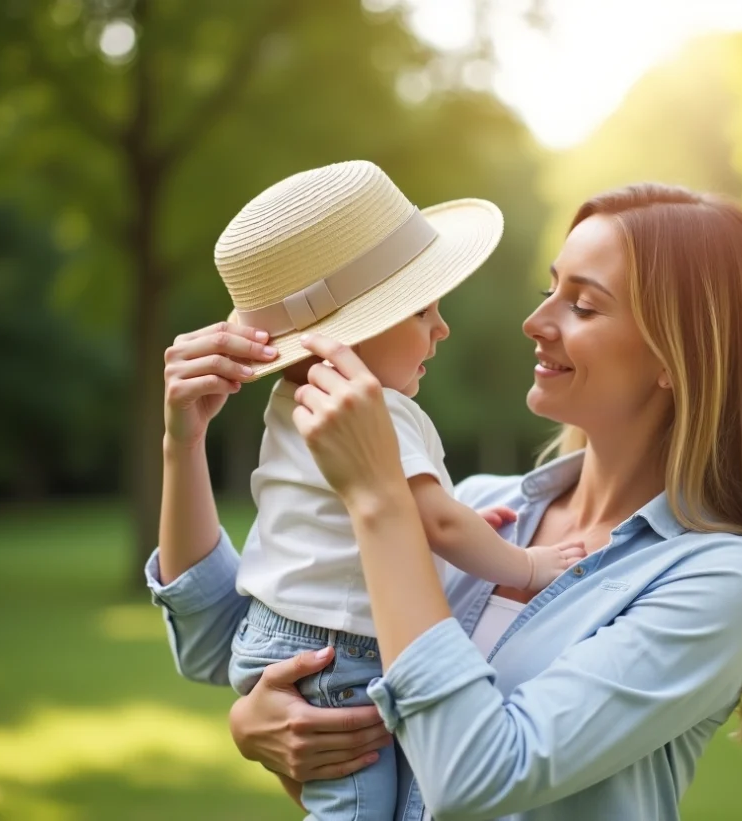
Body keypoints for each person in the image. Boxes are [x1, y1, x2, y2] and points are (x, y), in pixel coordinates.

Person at [149, 182, 742, 820]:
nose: (534, 320)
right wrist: (185, 441)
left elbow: (474, 776)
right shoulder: (472, 510)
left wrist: (379, 499)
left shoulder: (711, 580)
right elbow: (221, 646)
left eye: (582, 305)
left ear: (679, 353)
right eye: (547, 289)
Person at [161, 160, 585, 821]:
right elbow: (438, 523)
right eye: (421, 309)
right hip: (342, 658)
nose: (441, 328)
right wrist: (529, 564)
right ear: (351, 331)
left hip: (276, 635)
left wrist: (459, 526)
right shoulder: (376, 409)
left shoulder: (289, 402)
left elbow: (406, 526)